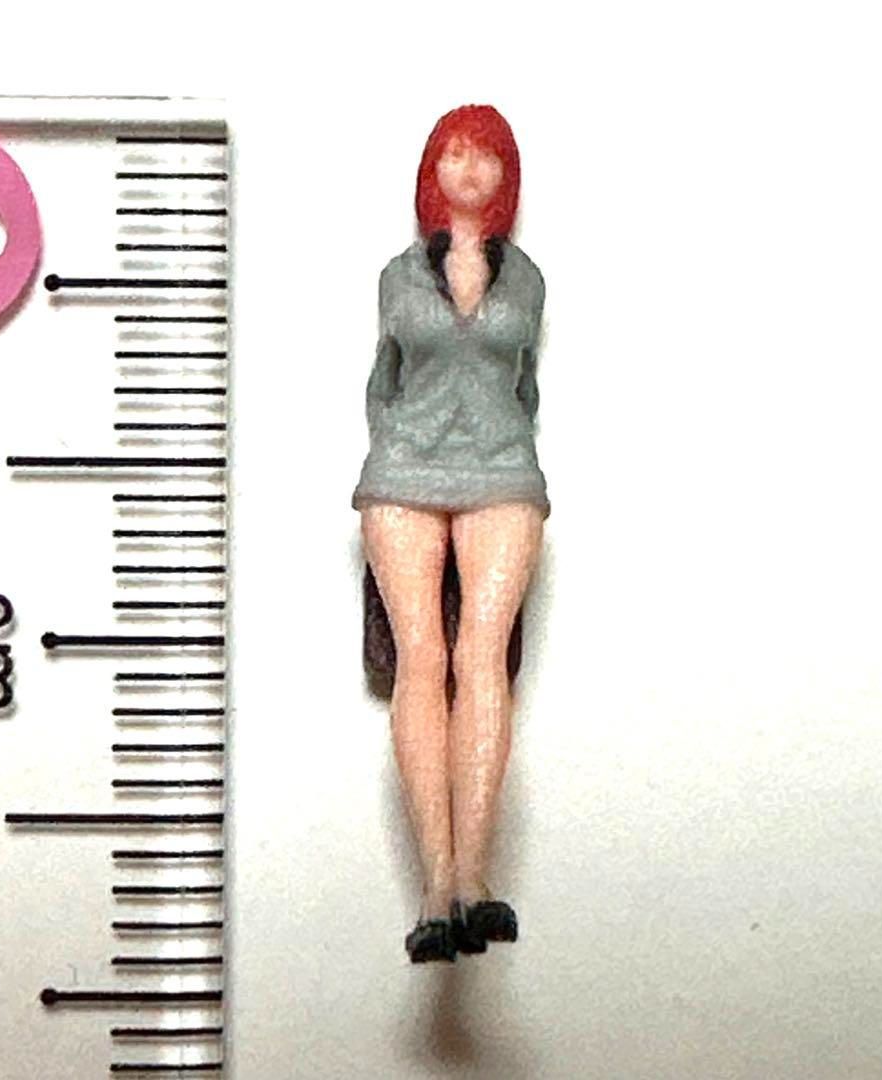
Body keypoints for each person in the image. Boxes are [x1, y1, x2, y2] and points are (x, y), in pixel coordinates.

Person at [352, 104, 549, 963]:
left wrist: (508, 445)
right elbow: (384, 381)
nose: (470, 170)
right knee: (422, 659)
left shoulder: (527, 278)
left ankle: (475, 876)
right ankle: (435, 886)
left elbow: (525, 385)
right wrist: (394, 450)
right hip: (404, 470)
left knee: (482, 659)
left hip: (503, 468)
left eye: (486, 156)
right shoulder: (399, 275)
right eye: (455, 155)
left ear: (506, 174)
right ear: (433, 171)